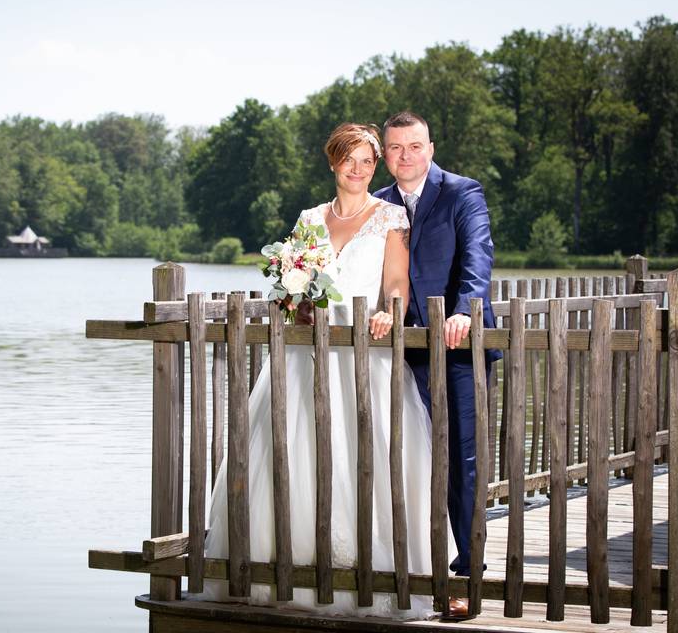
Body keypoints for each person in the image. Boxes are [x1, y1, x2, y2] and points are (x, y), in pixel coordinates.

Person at [199, 123, 451, 619]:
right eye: (348, 160)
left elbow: (397, 282)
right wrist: (297, 302)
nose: (357, 170)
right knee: (292, 453)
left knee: (366, 456)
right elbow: (291, 294)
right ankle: (282, 565)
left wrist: (389, 311)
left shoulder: (391, 218)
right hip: (303, 358)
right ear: (333, 162)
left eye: (366, 162)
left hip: (363, 355)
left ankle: (371, 569)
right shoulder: (310, 219)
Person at [374, 111, 499, 619]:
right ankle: (408, 564)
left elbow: (478, 258)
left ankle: (469, 570)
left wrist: (466, 311)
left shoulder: (461, 192)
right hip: (399, 353)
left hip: (458, 350)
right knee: (398, 457)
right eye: (396, 148)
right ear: (385, 153)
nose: (406, 156)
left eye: (415, 146)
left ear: (431, 145)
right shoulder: (379, 205)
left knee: (459, 462)